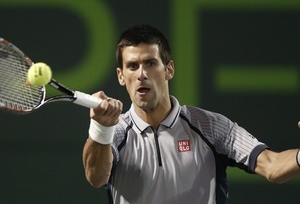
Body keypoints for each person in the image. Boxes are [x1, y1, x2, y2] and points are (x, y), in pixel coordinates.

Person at [82, 24, 300, 204]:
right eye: (132, 66)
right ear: (121, 76)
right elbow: (96, 177)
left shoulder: (210, 126)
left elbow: (272, 166)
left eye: (150, 63)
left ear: (169, 69)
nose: (142, 74)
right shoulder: (116, 132)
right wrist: (102, 129)